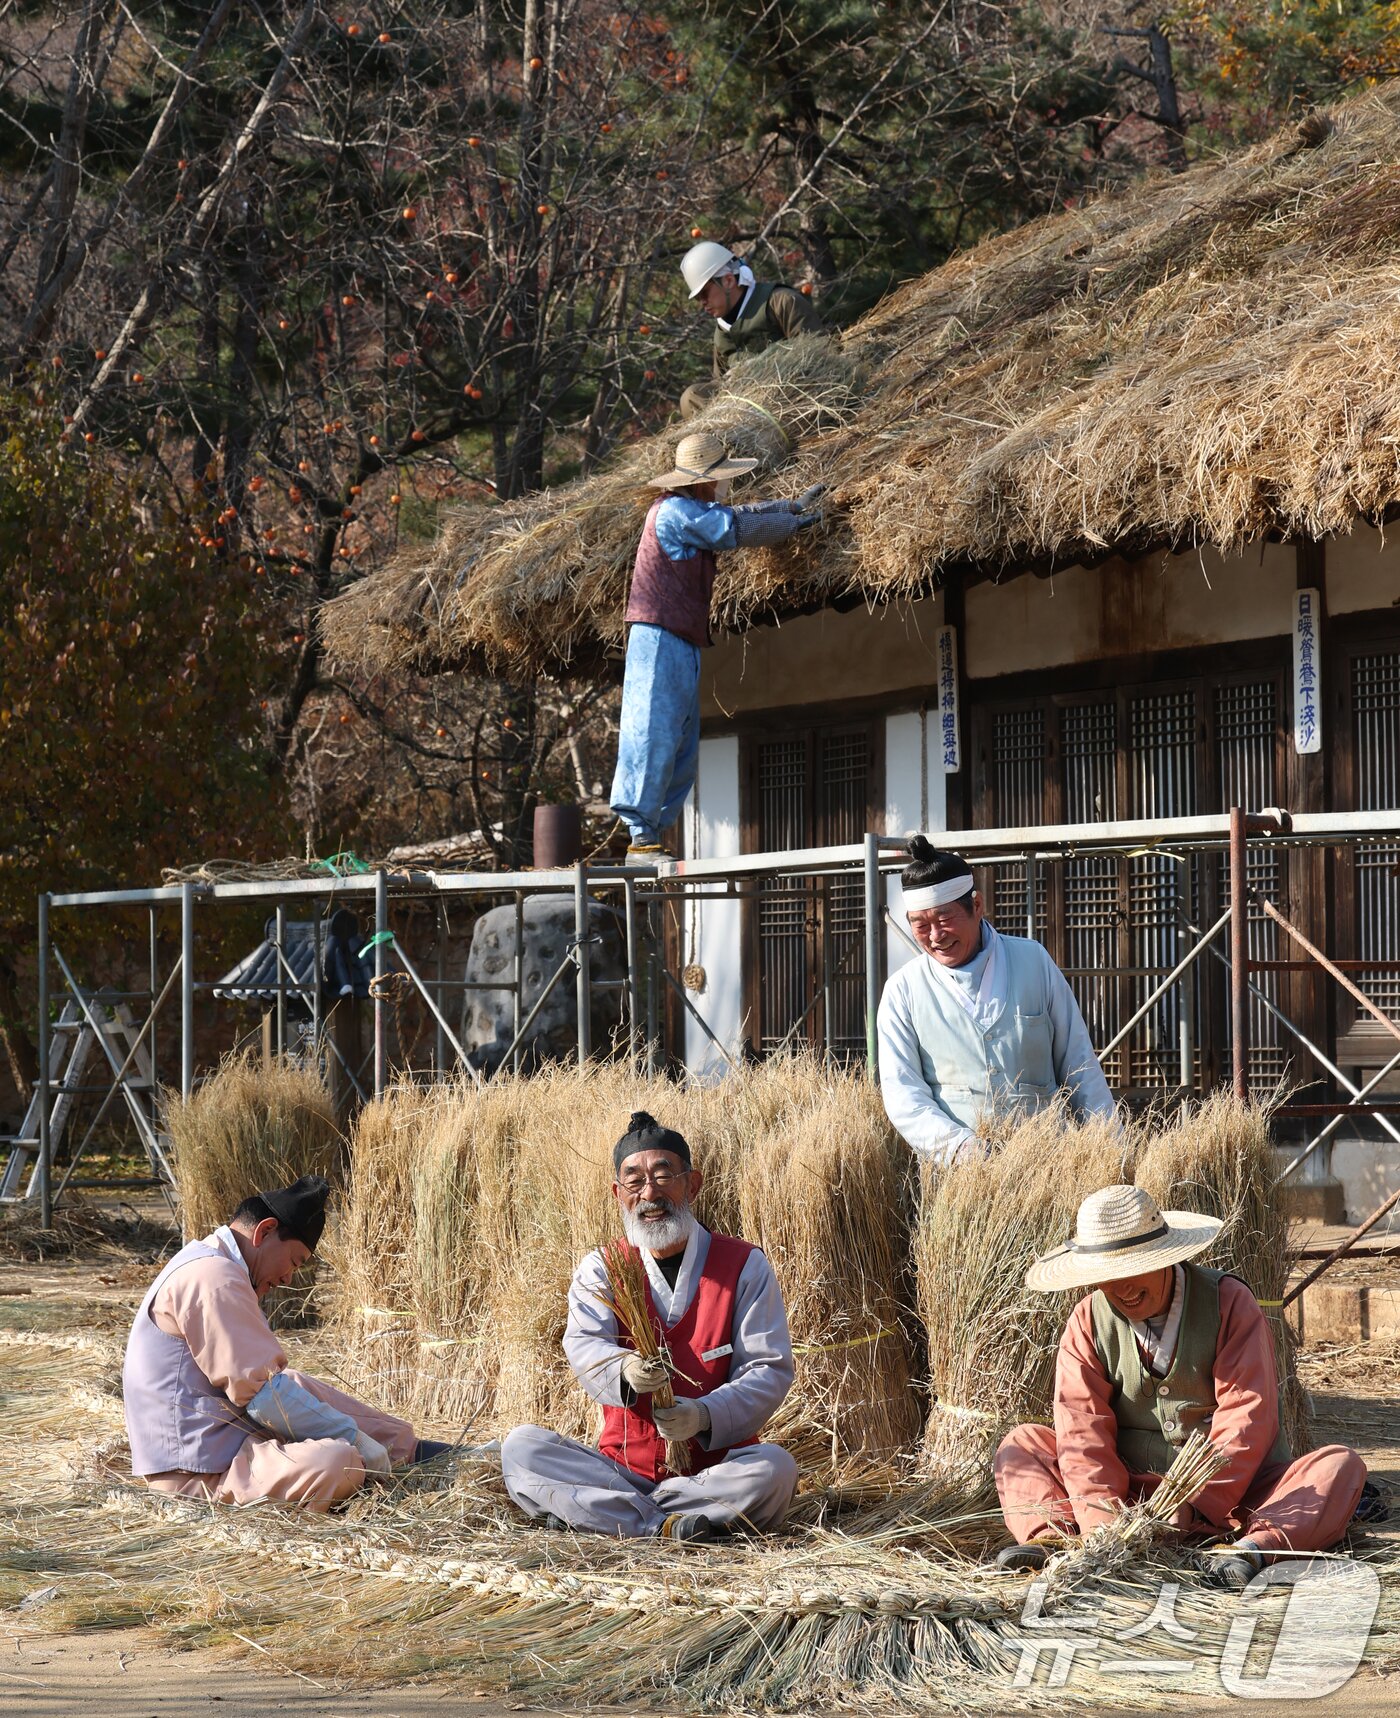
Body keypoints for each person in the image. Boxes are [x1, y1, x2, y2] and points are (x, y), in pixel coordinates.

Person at [993, 1183, 1367, 1589]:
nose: (1124, 1288)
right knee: (1023, 1444)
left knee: (1340, 1467)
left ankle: (1249, 1551)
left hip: (1234, 1501)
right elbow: (1082, 1430)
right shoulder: (1088, 1322)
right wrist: (1105, 1525)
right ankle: (1057, 1543)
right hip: (1126, 1497)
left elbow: (1247, 1418)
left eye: (1136, 1267)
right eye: (1108, 1276)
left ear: (1166, 1259)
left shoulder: (1228, 1303)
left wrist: (1192, 1501)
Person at [501, 1110, 798, 1541]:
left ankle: (609, 1516)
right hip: (621, 1470)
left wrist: (703, 1414)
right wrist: (623, 1370)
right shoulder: (601, 1269)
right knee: (522, 1448)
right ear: (618, 1193)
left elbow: (768, 1369)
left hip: (710, 1477)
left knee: (775, 1470)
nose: (649, 1194)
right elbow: (584, 1345)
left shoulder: (743, 1266)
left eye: (663, 1176)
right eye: (634, 1181)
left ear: (691, 1184)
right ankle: (664, 1525)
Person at [122, 1174, 451, 1511]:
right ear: (264, 1231)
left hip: (226, 1446)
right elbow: (264, 1399)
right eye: (294, 1262)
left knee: (295, 1384)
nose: (287, 1279)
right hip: (197, 1475)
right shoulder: (213, 1278)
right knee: (341, 1460)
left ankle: (418, 1455)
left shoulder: (207, 1263)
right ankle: (387, 1464)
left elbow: (266, 1387)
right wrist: (354, 1438)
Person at [610, 431, 822, 862]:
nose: (722, 486)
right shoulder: (672, 512)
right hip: (657, 636)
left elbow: (735, 513)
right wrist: (791, 525)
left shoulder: (692, 509)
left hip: (681, 637)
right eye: (718, 479)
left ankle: (651, 833)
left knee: (682, 741)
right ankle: (640, 835)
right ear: (700, 480)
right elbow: (735, 527)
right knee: (653, 732)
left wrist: (789, 506)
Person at [876, 837, 1118, 1164]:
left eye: (944, 919)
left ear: (977, 906)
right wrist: (961, 1149)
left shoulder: (1033, 961)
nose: (935, 936)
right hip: (957, 1177)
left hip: (1047, 1166)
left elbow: (1079, 1063)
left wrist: (1109, 1147)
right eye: (921, 925)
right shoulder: (902, 991)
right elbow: (904, 1096)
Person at [678, 241, 827, 420]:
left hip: (791, 402)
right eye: (697, 298)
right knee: (692, 397)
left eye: (704, 293)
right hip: (742, 416)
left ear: (728, 280)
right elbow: (720, 383)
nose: (702, 302)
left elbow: (820, 353)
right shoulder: (721, 333)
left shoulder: (781, 302)